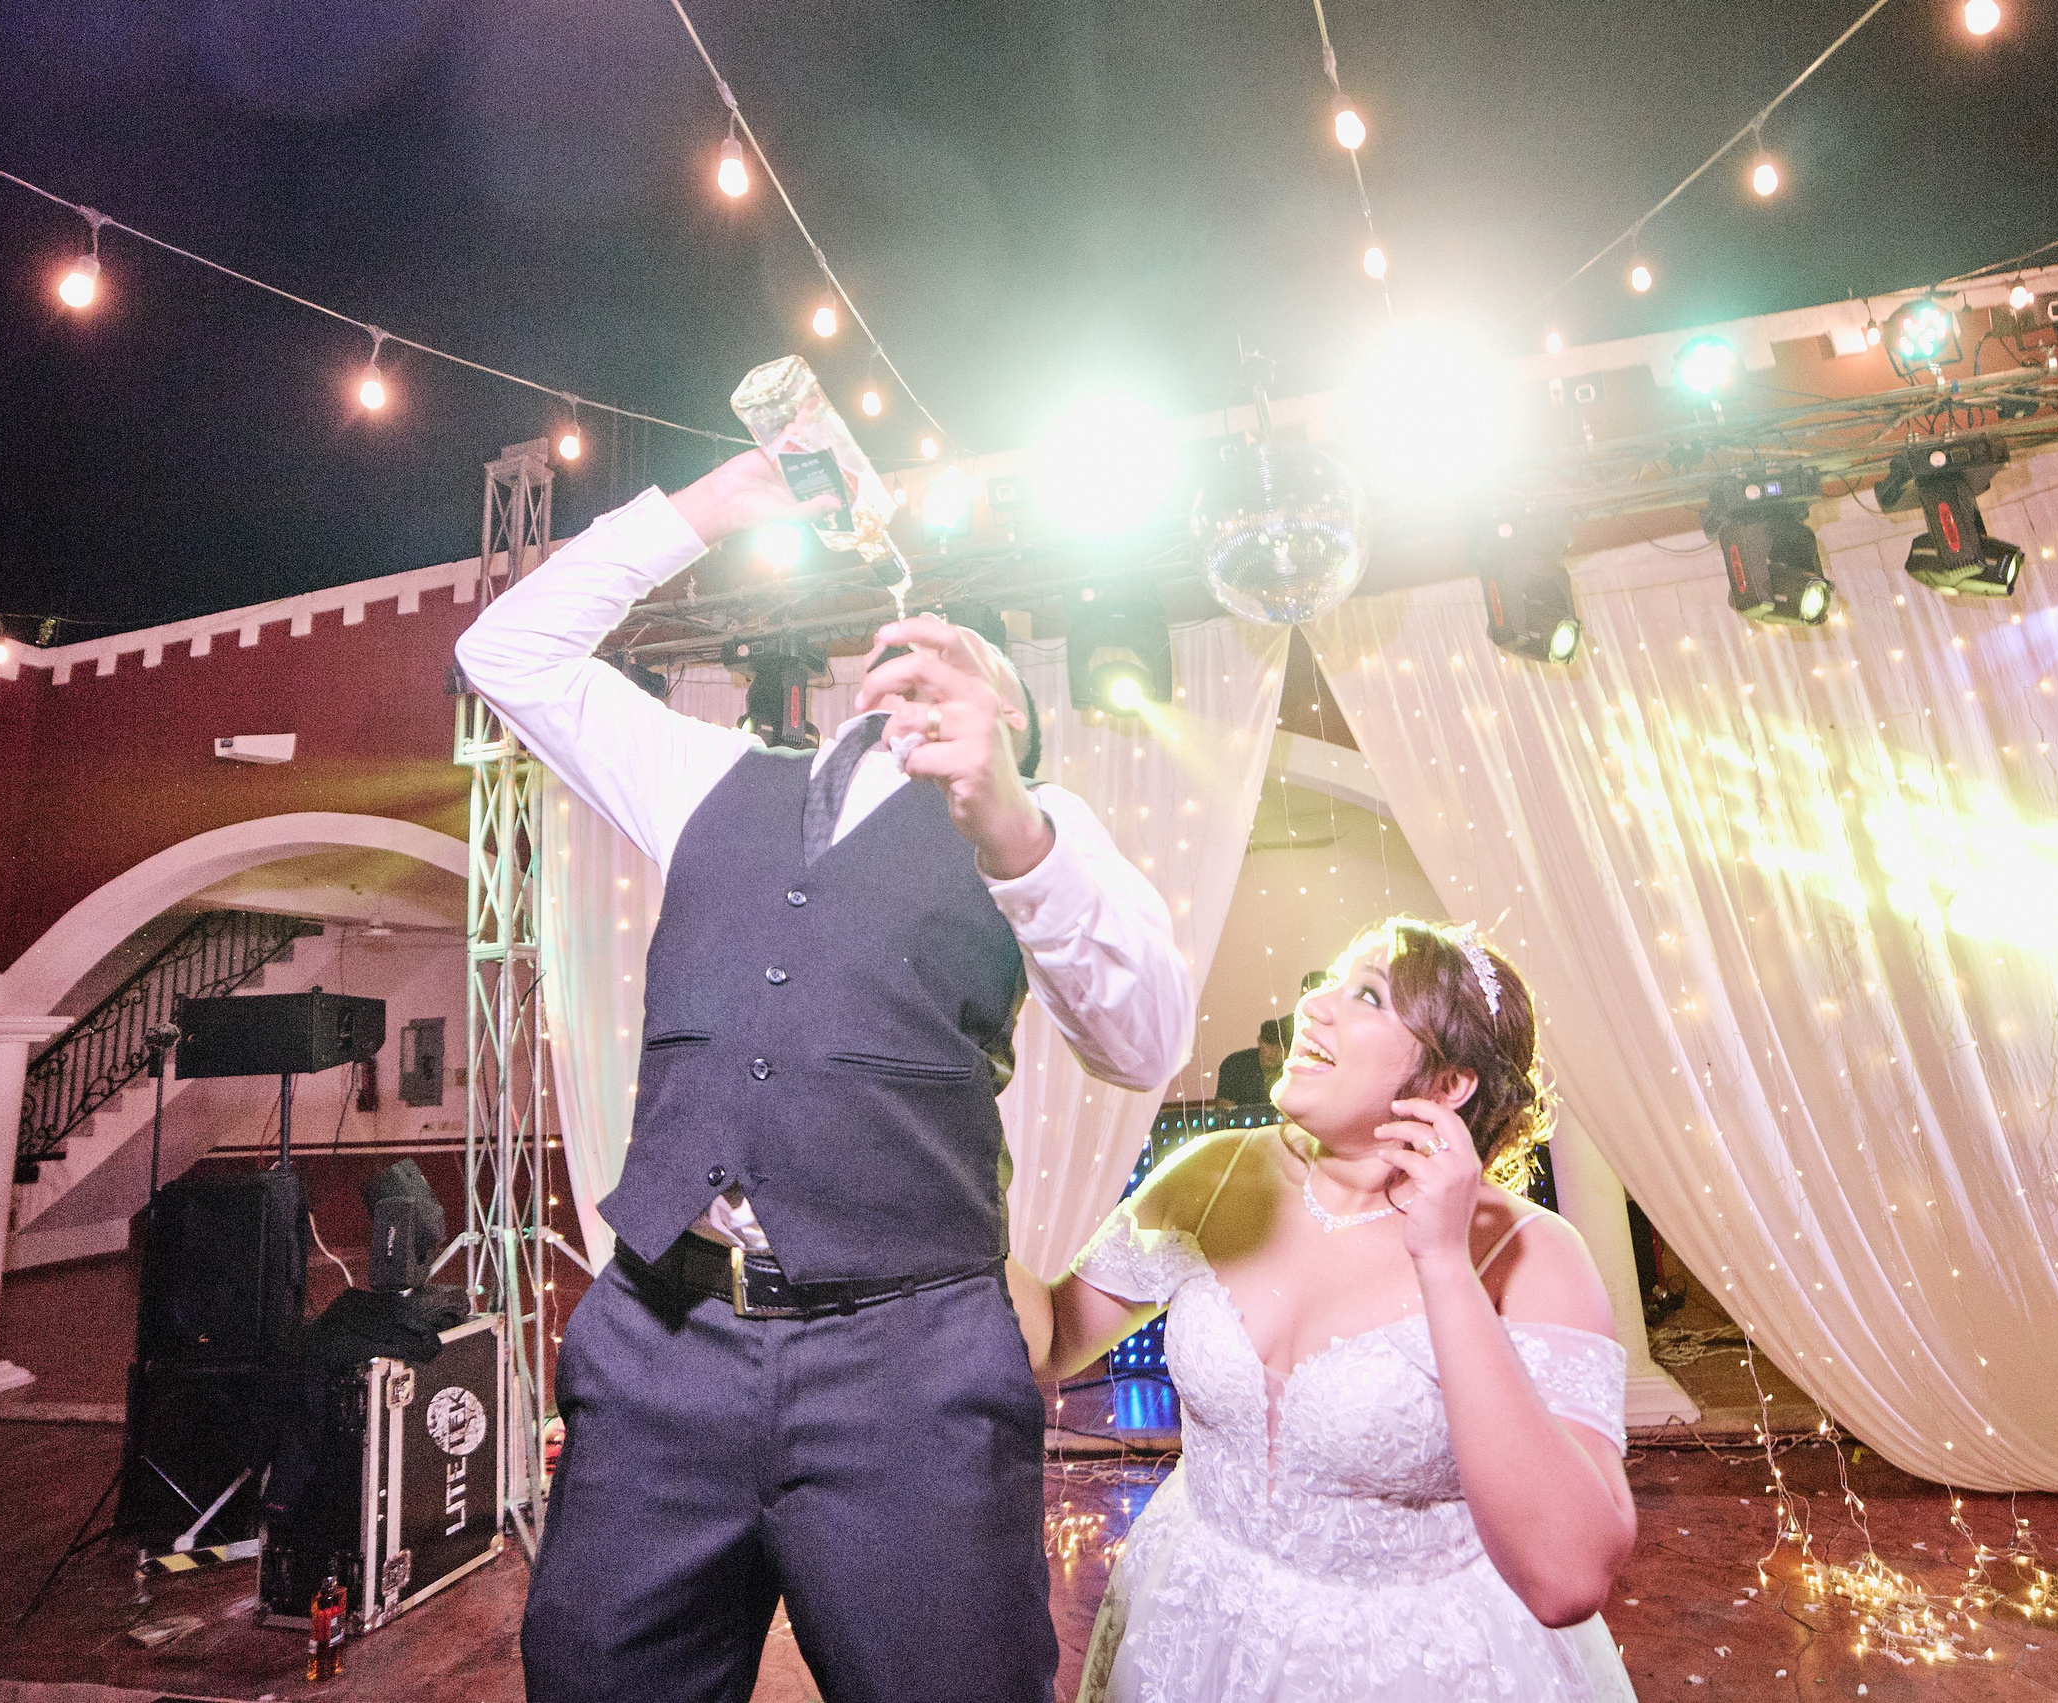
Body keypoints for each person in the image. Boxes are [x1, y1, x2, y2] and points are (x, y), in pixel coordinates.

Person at [455, 449, 1192, 1703]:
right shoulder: (712, 779)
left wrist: (1009, 817)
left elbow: (1142, 1041)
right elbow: (505, 655)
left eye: (967, 670)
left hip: (907, 1362)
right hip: (660, 1341)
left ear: (1011, 717)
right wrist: (707, 511)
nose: (923, 669)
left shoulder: (1041, 829)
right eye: (910, 654)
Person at [1014, 918, 1637, 1701]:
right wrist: (944, 1171)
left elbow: (1567, 1574)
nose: (1314, 1006)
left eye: (1366, 993)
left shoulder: (1529, 1252)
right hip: (1196, 1619)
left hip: (1416, 1662)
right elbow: (1051, 1340)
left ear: (1447, 1086)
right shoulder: (1214, 1173)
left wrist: (1443, 1262)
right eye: (1327, 983)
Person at [1213, 1017, 1286, 1105]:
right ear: (1259, 1041)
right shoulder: (1235, 1064)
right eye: (1269, 1045)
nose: (1273, 1053)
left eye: (1281, 1048)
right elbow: (1224, 1109)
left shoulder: (1294, 1070)